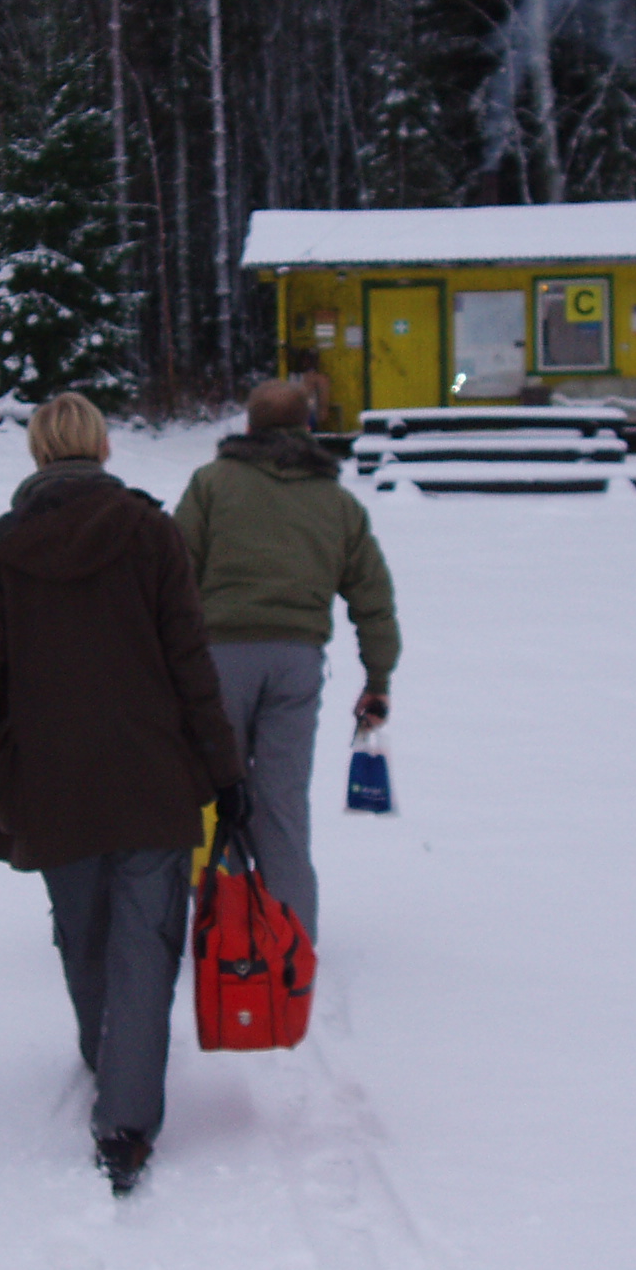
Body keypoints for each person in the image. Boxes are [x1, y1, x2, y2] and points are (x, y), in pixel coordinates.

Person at [0, 393, 247, 1196]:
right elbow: (191, 664)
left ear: (36, 453)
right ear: (100, 447)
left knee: (85, 934)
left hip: (54, 786)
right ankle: (127, 1120)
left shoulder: (5, 548)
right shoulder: (152, 533)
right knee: (145, 944)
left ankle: (112, 1065)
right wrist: (225, 773)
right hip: (152, 778)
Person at [171, 379, 400, 945]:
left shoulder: (211, 485)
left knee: (211, 795)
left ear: (247, 427)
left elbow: (173, 574)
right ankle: (292, 939)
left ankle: (216, 931)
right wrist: (377, 678)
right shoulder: (337, 502)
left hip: (217, 662)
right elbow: (373, 598)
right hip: (296, 662)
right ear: (307, 429)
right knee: (280, 804)